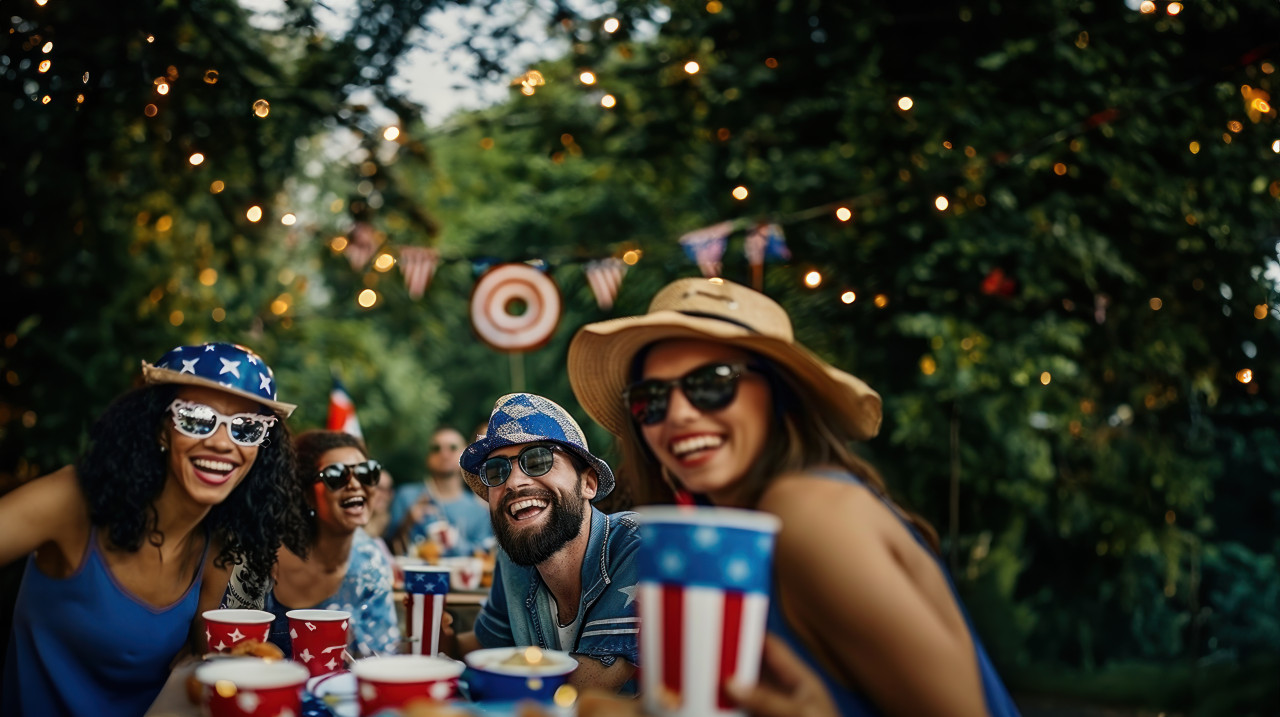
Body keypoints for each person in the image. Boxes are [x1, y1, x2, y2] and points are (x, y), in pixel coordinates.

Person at [567, 277, 1021, 716]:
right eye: (652, 398)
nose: (681, 413)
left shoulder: (808, 512)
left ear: (779, 395)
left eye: (713, 383)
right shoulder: (739, 526)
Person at [0, 342, 309, 717]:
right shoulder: (73, 503)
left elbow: (209, 668)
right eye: (196, 418)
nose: (222, 443)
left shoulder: (219, 546)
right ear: (160, 429)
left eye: (246, 429)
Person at [440, 393, 640, 693]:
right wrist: (444, 638)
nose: (514, 482)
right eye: (496, 471)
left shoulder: (637, 545)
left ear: (588, 483)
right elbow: (487, 647)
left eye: (538, 460)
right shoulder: (514, 561)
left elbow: (581, 693)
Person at [260, 430, 400, 659]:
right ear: (306, 493)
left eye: (367, 473)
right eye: (336, 475)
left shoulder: (370, 559)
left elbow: (384, 656)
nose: (355, 484)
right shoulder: (264, 555)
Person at [386, 425, 493, 558]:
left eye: (452, 448)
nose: (444, 454)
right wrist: (407, 523)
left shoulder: (479, 509)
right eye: (436, 449)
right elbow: (386, 547)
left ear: (466, 455)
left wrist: (456, 543)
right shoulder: (405, 496)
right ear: (427, 457)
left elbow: (485, 556)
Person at [365, 467, 395, 545]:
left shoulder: (387, 524)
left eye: (388, 490)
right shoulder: (355, 529)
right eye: (378, 488)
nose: (384, 495)